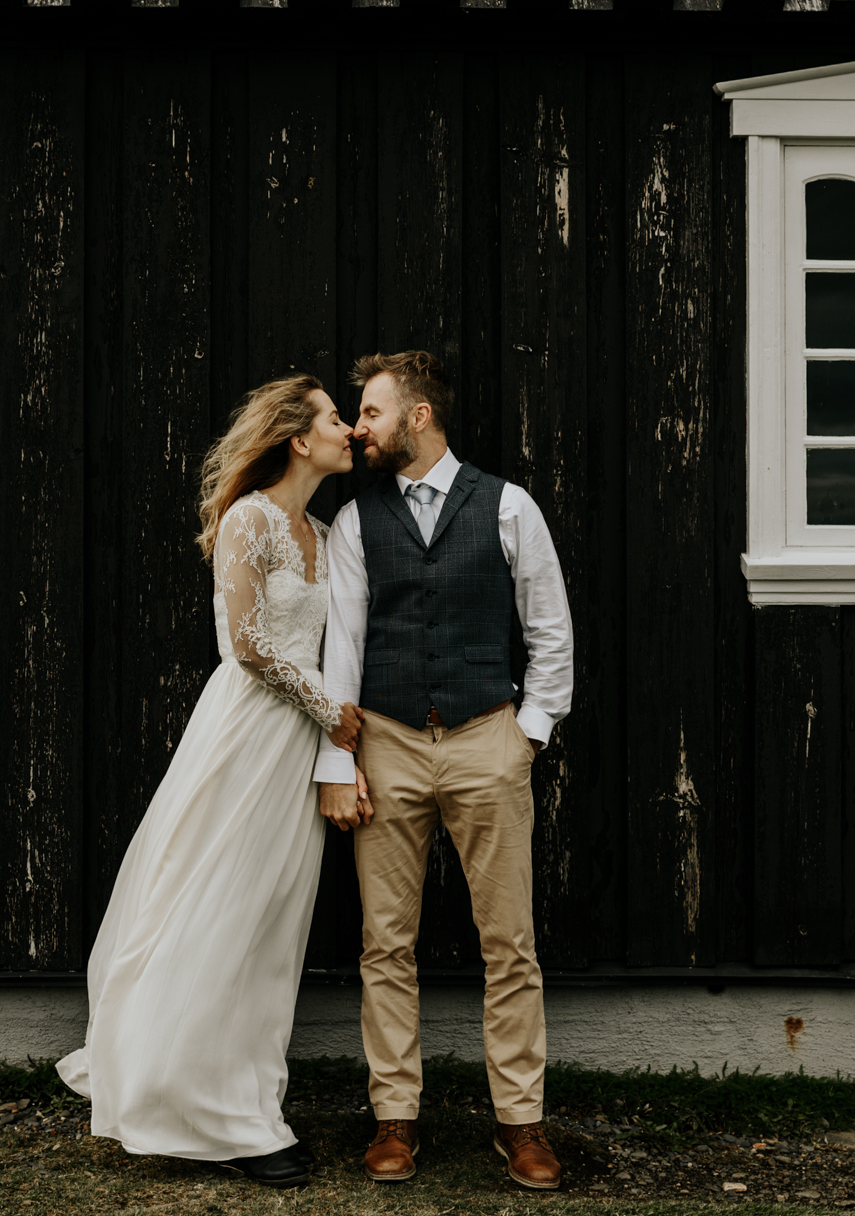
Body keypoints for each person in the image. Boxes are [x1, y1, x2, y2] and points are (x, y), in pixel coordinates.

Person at [57, 374, 371, 1189]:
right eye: (338, 419)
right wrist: (328, 709)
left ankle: (249, 1107)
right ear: (299, 439)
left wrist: (332, 726)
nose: (350, 431)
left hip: (300, 746)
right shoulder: (251, 518)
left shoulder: (328, 530)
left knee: (271, 927)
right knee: (217, 907)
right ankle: (191, 1103)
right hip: (249, 733)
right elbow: (248, 644)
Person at [314, 350, 574, 1191]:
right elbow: (343, 650)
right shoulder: (356, 520)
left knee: (510, 944)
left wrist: (526, 733)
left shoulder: (507, 506)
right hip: (385, 740)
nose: (360, 426)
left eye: (373, 412)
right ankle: (394, 1118)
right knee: (384, 942)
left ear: (418, 417)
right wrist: (339, 757)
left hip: (485, 739)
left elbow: (549, 629)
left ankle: (520, 1125)